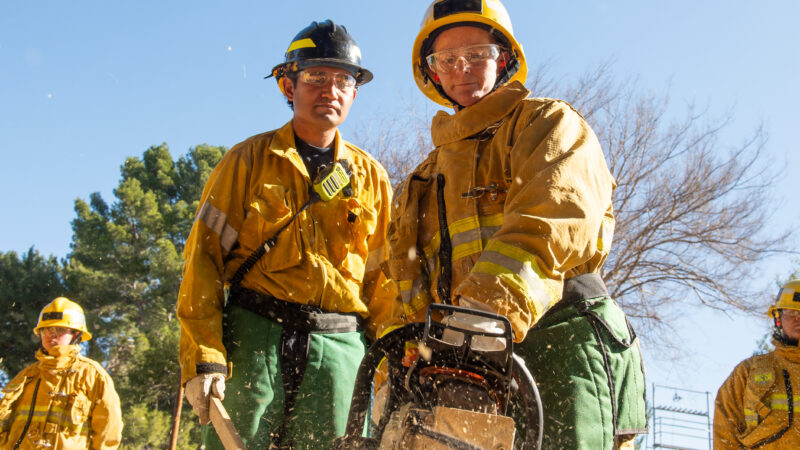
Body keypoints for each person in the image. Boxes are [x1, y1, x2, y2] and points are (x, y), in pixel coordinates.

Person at [379, 0, 648, 447]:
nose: (462, 67)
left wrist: (484, 313)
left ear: (503, 59)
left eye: (478, 53)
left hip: (560, 340)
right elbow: (406, 288)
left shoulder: (547, 124)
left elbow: (551, 220)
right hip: (461, 356)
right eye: (447, 59)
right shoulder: (420, 182)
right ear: (432, 73)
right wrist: (406, 358)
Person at [176, 20, 393, 449]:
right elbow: (202, 261)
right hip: (253, 341)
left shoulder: (372, 179)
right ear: (288, 86)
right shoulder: (246, 161)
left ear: (354, 92)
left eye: (343, 80)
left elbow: (385, 283)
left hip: (341, 352)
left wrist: (389, 373)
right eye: (315, 77)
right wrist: (204, 359)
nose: (330, 89)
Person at [0, 297, 123, 449]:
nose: (50, 334)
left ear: (76, 334)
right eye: (46, 329)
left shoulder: (93, 376)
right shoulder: (27, 376)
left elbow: (108, 434)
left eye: (59, 329)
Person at [713, 279, 800, 448]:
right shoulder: (748, 372)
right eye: (791, 312)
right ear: (779, 318)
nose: (798, 319)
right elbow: (725, 432)